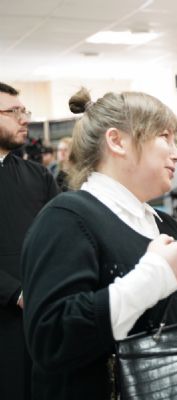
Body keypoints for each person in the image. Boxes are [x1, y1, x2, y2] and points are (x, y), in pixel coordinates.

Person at [21, 88, 177, 400]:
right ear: (117, 141)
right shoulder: (65, 220)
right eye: (164, 137)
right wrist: (153, 277)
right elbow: (52, 339)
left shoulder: (162, 223)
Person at [0, 82, 59, 400]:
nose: (24, 119)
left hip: (43, 318)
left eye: (25, 111)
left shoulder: (38, 176)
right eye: (13, 112)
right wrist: (16, 293)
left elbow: (62, 237)